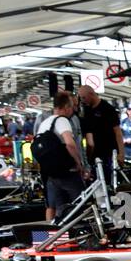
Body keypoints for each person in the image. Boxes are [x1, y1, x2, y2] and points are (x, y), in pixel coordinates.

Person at [35, 91, 89, 221]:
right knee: (82, 205)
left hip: (50, 175)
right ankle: (83, 236)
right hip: (67, 173)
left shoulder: (45, 123)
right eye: (73, 107)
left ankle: (50, 237)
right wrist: (79, 164)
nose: (74, 110)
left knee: (56, 208)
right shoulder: (63, 121)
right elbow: (70, 144)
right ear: (66, 107)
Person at [76, 85, 124, 185]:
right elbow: (90, 141)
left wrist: (121, 153)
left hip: (109, 155)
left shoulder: (108, 109)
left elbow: (118, 132)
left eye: (84, 97)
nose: (82, 101)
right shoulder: (87, 111)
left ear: (92, 94)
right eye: (80, 98)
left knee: (110, 184)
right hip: (95, 157)